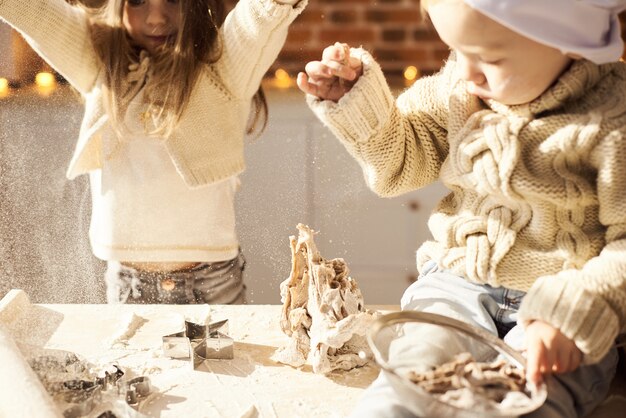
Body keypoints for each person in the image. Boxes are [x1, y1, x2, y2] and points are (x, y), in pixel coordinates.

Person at [297, 0, 626, 416]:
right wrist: (361, 105)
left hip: (564, 304)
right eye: (457, 50)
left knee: (531, 398)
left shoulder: (615, 119)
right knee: (410, 376)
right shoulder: (459, 87)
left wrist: (575, 311)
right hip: (457, 283)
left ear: (569, 38)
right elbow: (401, 165)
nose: (467, 73)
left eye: (488, 57)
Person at [0, 0, 306, 305]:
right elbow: (35, 13)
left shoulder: (223, 68)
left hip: (211, 283)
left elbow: (257, 22)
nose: (156, 18)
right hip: (127, 283)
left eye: (174, 1)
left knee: (228, 357)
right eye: (137, 2)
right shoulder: (100, 60)